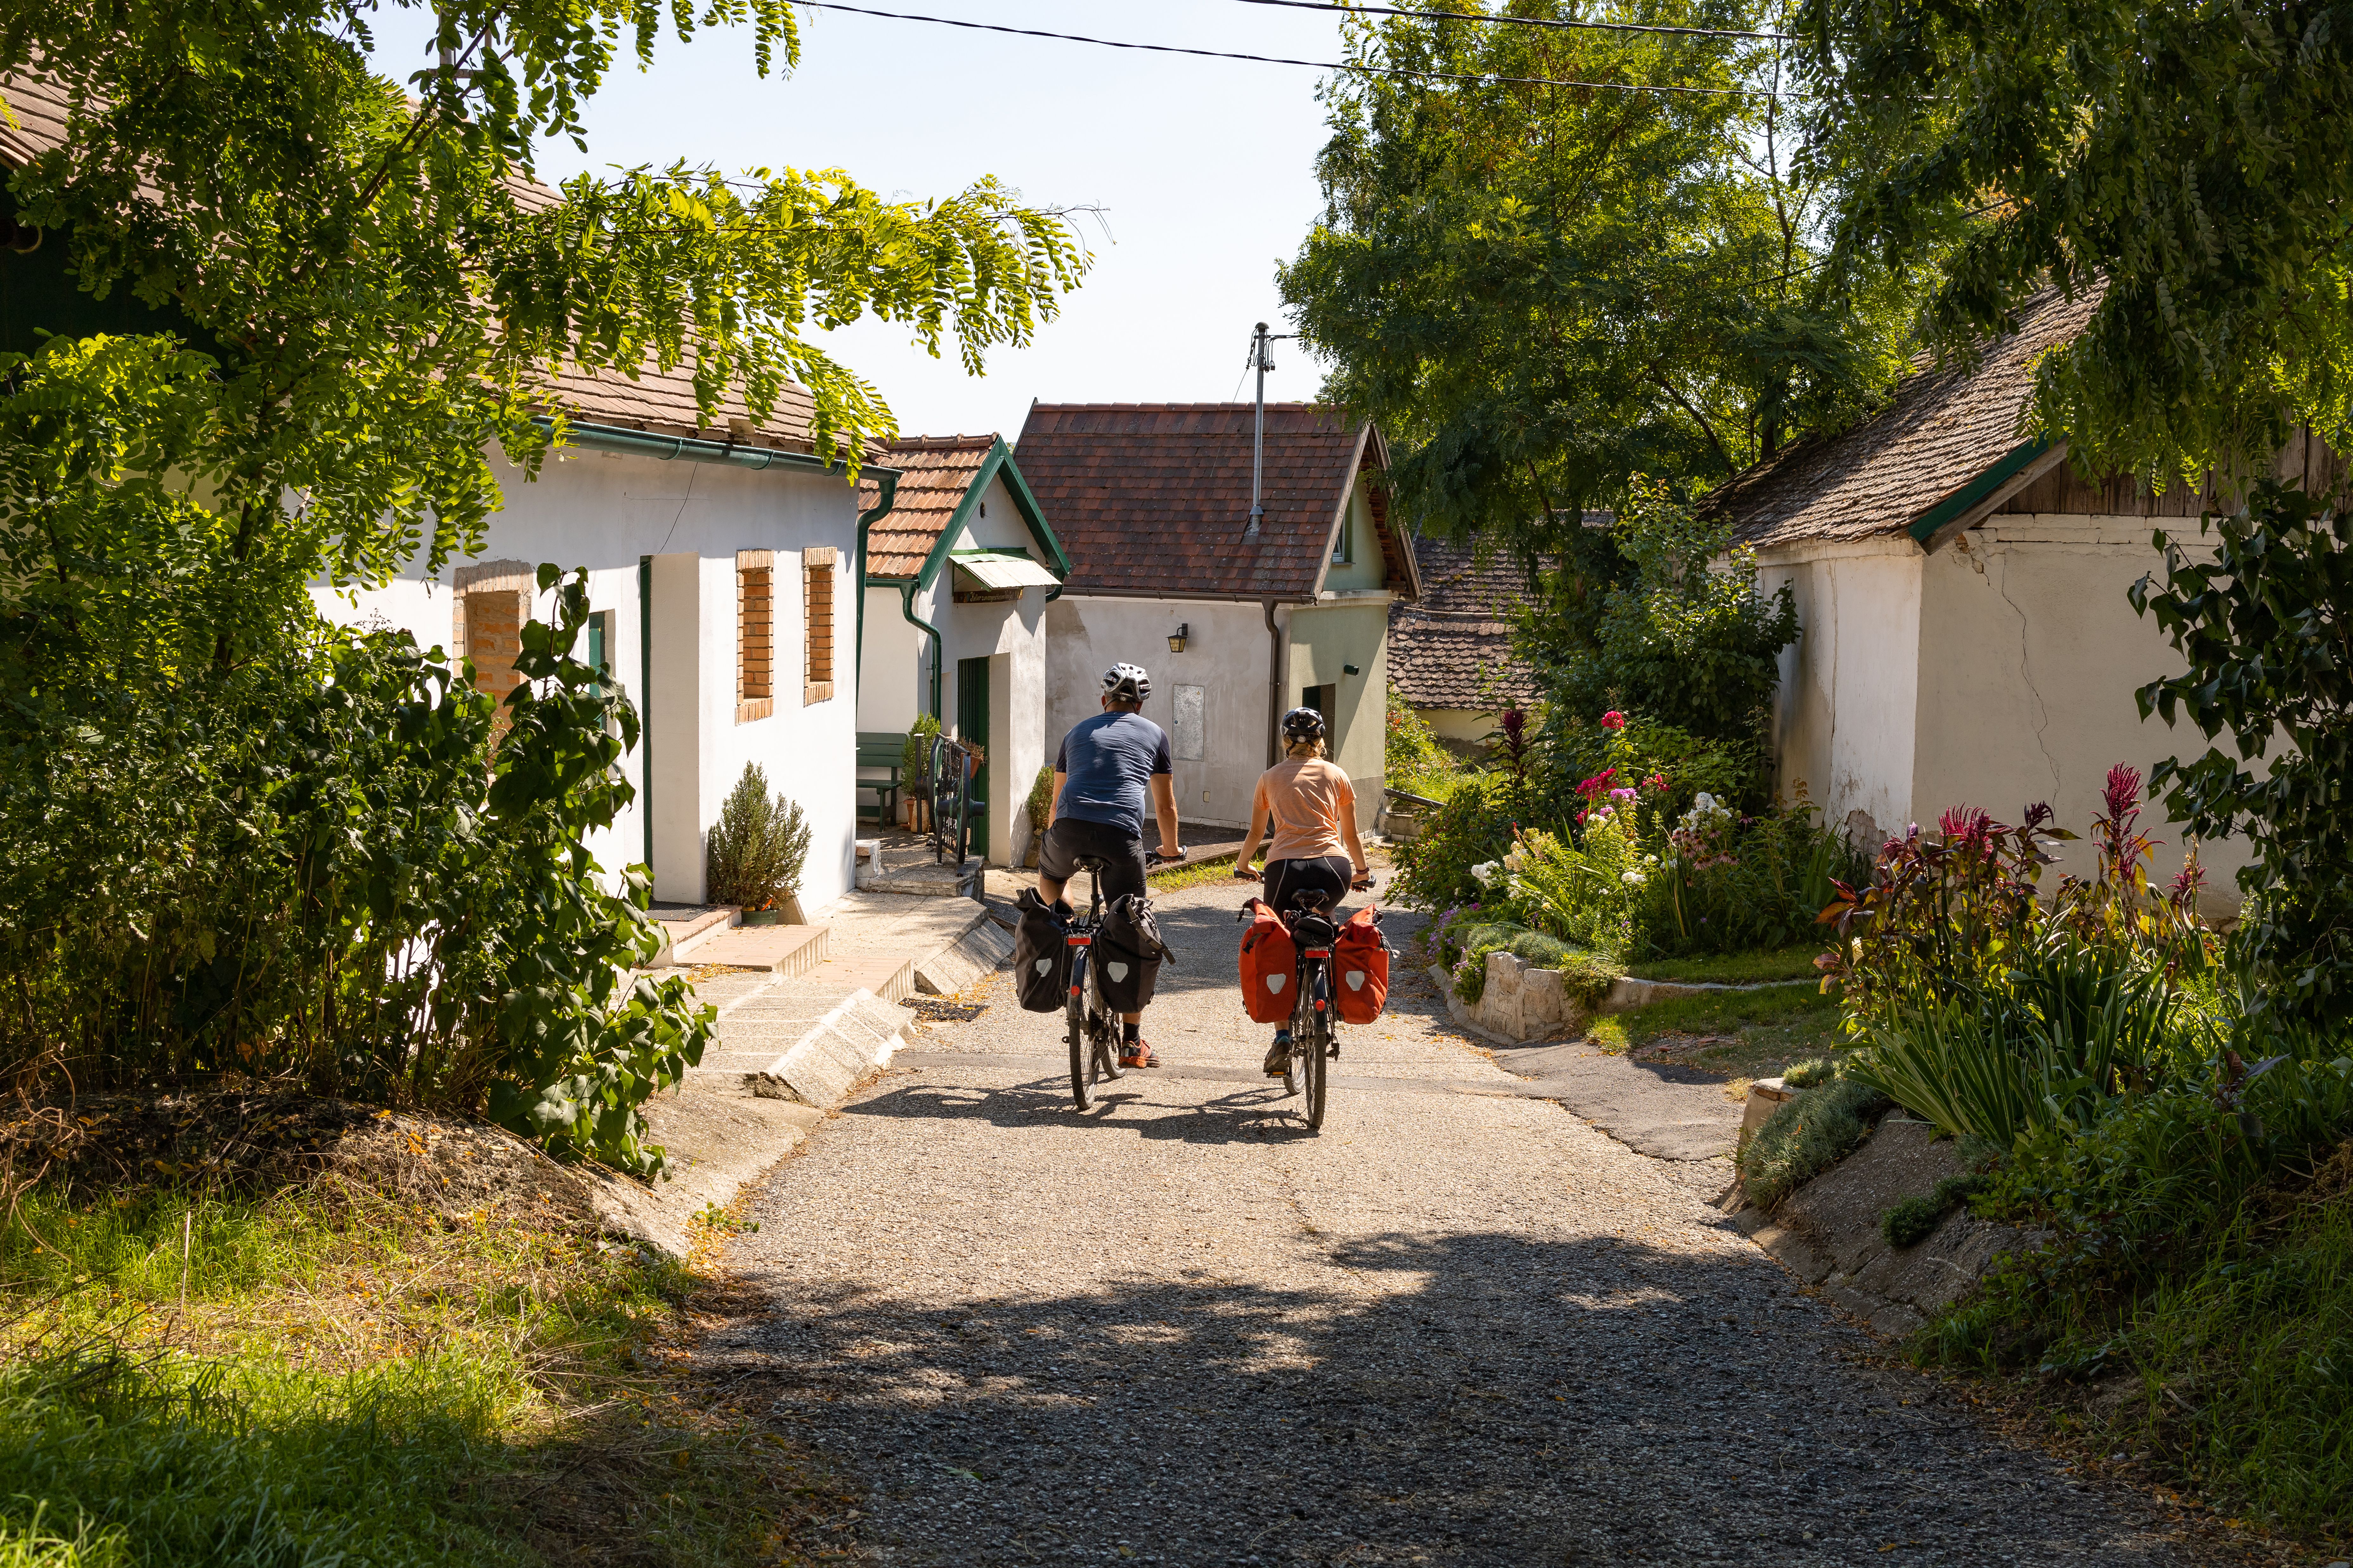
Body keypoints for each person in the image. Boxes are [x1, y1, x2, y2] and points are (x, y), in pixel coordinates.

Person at [1038, 661, 1182, 1068]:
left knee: (1051, 875)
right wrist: (1170, 849)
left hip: (1067, 831)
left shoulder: (1075, 733)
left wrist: (1057, 845)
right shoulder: (1154, 734)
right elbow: (1165, 805)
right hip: (1120, 838)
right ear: (1140, 704)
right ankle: (1133, 1043)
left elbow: (1055, 802)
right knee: (1135, 927)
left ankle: (1062, 919)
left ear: (1103, 701)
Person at [1233, 706, 1372, 1077]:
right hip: (1333, 868)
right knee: (1324, 927)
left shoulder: (1269, 777)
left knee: (1279, 941)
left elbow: (1255, 833)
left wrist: (1244, 865)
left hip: (1284, 870)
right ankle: (1328, 999)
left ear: (1285, 740)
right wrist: (1361, 871)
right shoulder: (1337, 774)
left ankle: (1282, 1038)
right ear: (1320, 741)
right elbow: (1352, 835)